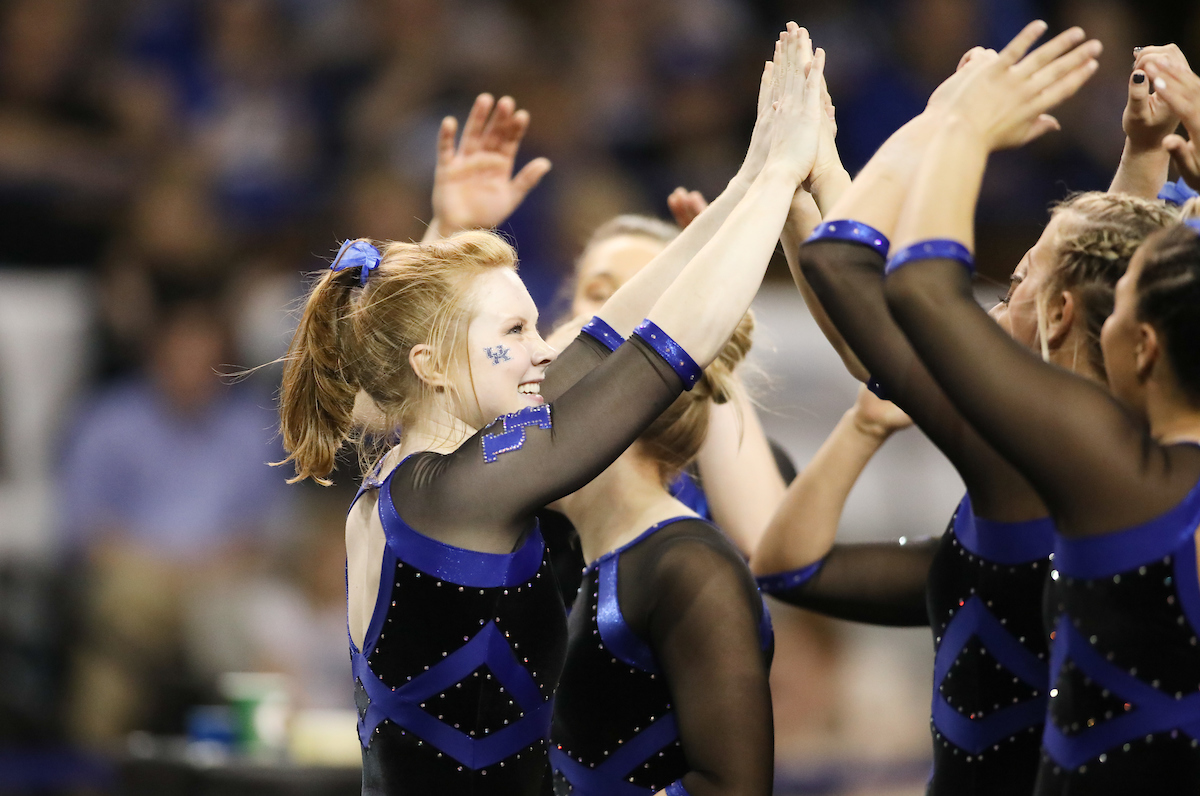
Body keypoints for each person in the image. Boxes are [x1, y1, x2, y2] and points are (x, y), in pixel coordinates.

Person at [276, 24, 827, 795]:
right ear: (431, 366)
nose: (542, 349)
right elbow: (657, 356)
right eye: (514, 331)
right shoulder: (454, 495)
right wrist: (776, 177)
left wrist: (740, 187)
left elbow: (599, 342)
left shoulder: (427, 480)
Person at [761, 35, 1180, 796]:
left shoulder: (1029, 464)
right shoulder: (1118, 451)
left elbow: (860, 280)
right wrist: (1145, 153)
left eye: (1018, 278)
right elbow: (1116, 279)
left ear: (1056, 314)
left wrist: (952, 122)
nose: (998, 292)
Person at [550, 313, 773, 796]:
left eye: (540, 390)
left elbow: (735, 787)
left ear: (612, 408)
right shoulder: (592, 556)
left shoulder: (689, 565)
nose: (517, 418)